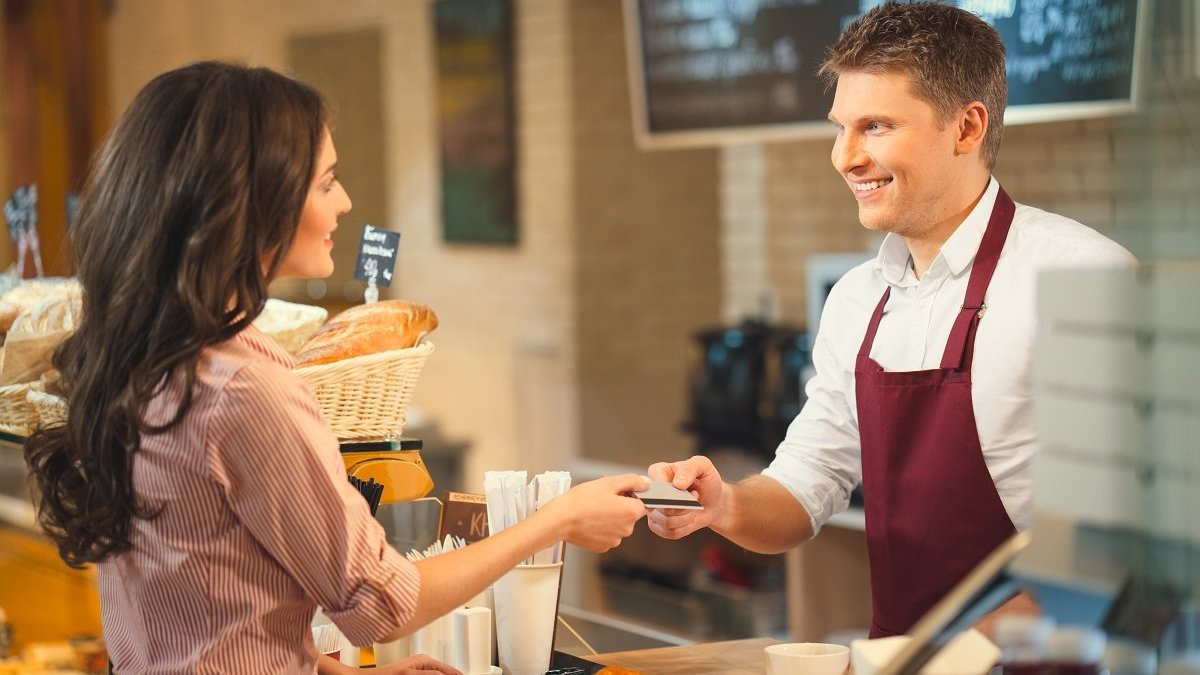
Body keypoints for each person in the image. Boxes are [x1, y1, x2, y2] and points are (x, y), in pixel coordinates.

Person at [23, 61, 650, 674]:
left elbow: (208, 605)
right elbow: (381, 603)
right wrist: (557, 520)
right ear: (250, 202)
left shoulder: (147, 356)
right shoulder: (245, 391)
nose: (345, 202)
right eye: (326, 182)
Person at [647, 1, 1135, 639]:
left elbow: (1126, 543)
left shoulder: (1084, 280)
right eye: (840, 127)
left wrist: (953, 657)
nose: (844, 157)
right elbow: (810, 480)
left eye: (875, 127)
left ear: (966, 128)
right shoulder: (857, 299)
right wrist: (726, 504)